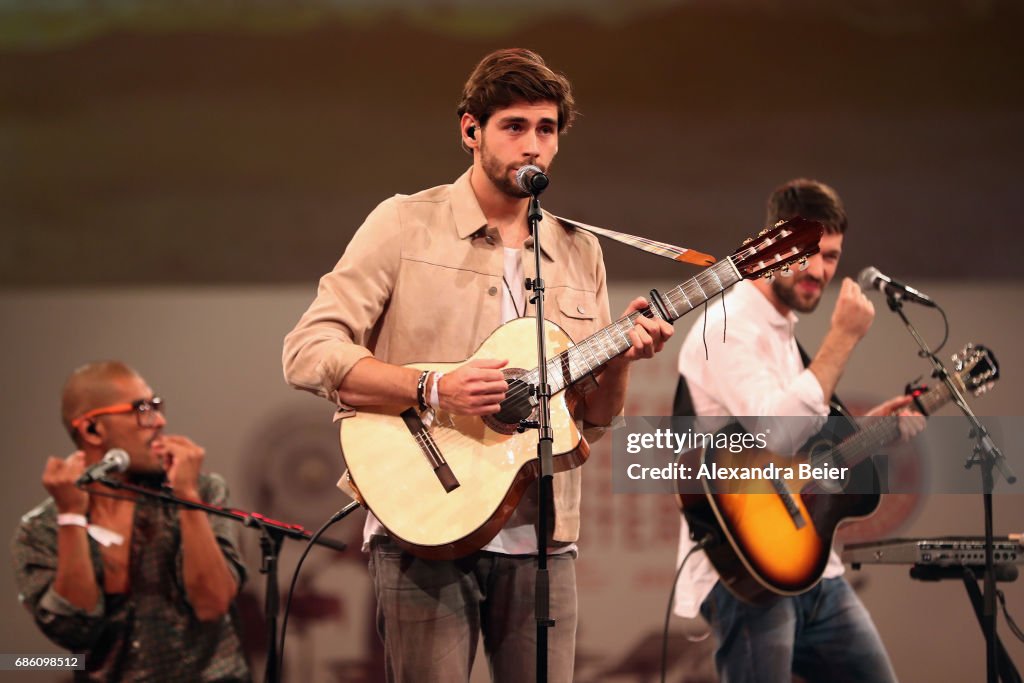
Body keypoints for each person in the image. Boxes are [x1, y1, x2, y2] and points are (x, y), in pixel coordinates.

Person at [282, 48, 672, 682]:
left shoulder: (580, 252)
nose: (533, 146)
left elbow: (592, 421)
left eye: (546, 130)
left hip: (542, 535)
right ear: (471, 130)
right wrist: (433, 387)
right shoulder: (405, 223)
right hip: (423, 525)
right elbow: (308, 350)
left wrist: (624, 357)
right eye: (514, 126)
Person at [672, 179, 924, 682]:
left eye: (831, 258)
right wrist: (843, 338)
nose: (820, 271)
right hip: (752, 568)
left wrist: (876, 430)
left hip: (811, 564)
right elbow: (775, 436)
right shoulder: (729, 324)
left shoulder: (781, 331)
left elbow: (798, 458)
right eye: (807, 253)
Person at [11, 361, 250, 682]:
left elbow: (213, 603)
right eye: (142, 409)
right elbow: (74, 632)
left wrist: (188, 497)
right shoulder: (41, 529)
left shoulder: (202, 489)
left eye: (156, 406)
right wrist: (70, 518)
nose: (160, 420)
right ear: (92, 429)